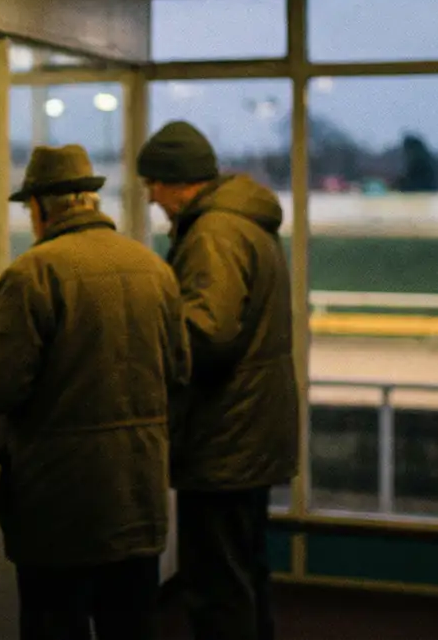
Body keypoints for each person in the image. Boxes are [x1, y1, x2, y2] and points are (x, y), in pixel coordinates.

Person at [0, 144, 190, 640]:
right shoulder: (154, 269)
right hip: (137, 495)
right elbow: (180, 372)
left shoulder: (32, 275)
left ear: (43, 207)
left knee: (56, 626)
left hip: (58, 505)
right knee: (130, 625)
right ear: (88, 200)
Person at [137, 121, 299, 640]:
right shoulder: (245, 223)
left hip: (224, 436)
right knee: (245, 570)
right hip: (250, 430)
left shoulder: (212, 234)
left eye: (154, 184)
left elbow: (207, 332)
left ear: (179, 182)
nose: (150, 197)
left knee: (216, 585)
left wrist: (150, 334)